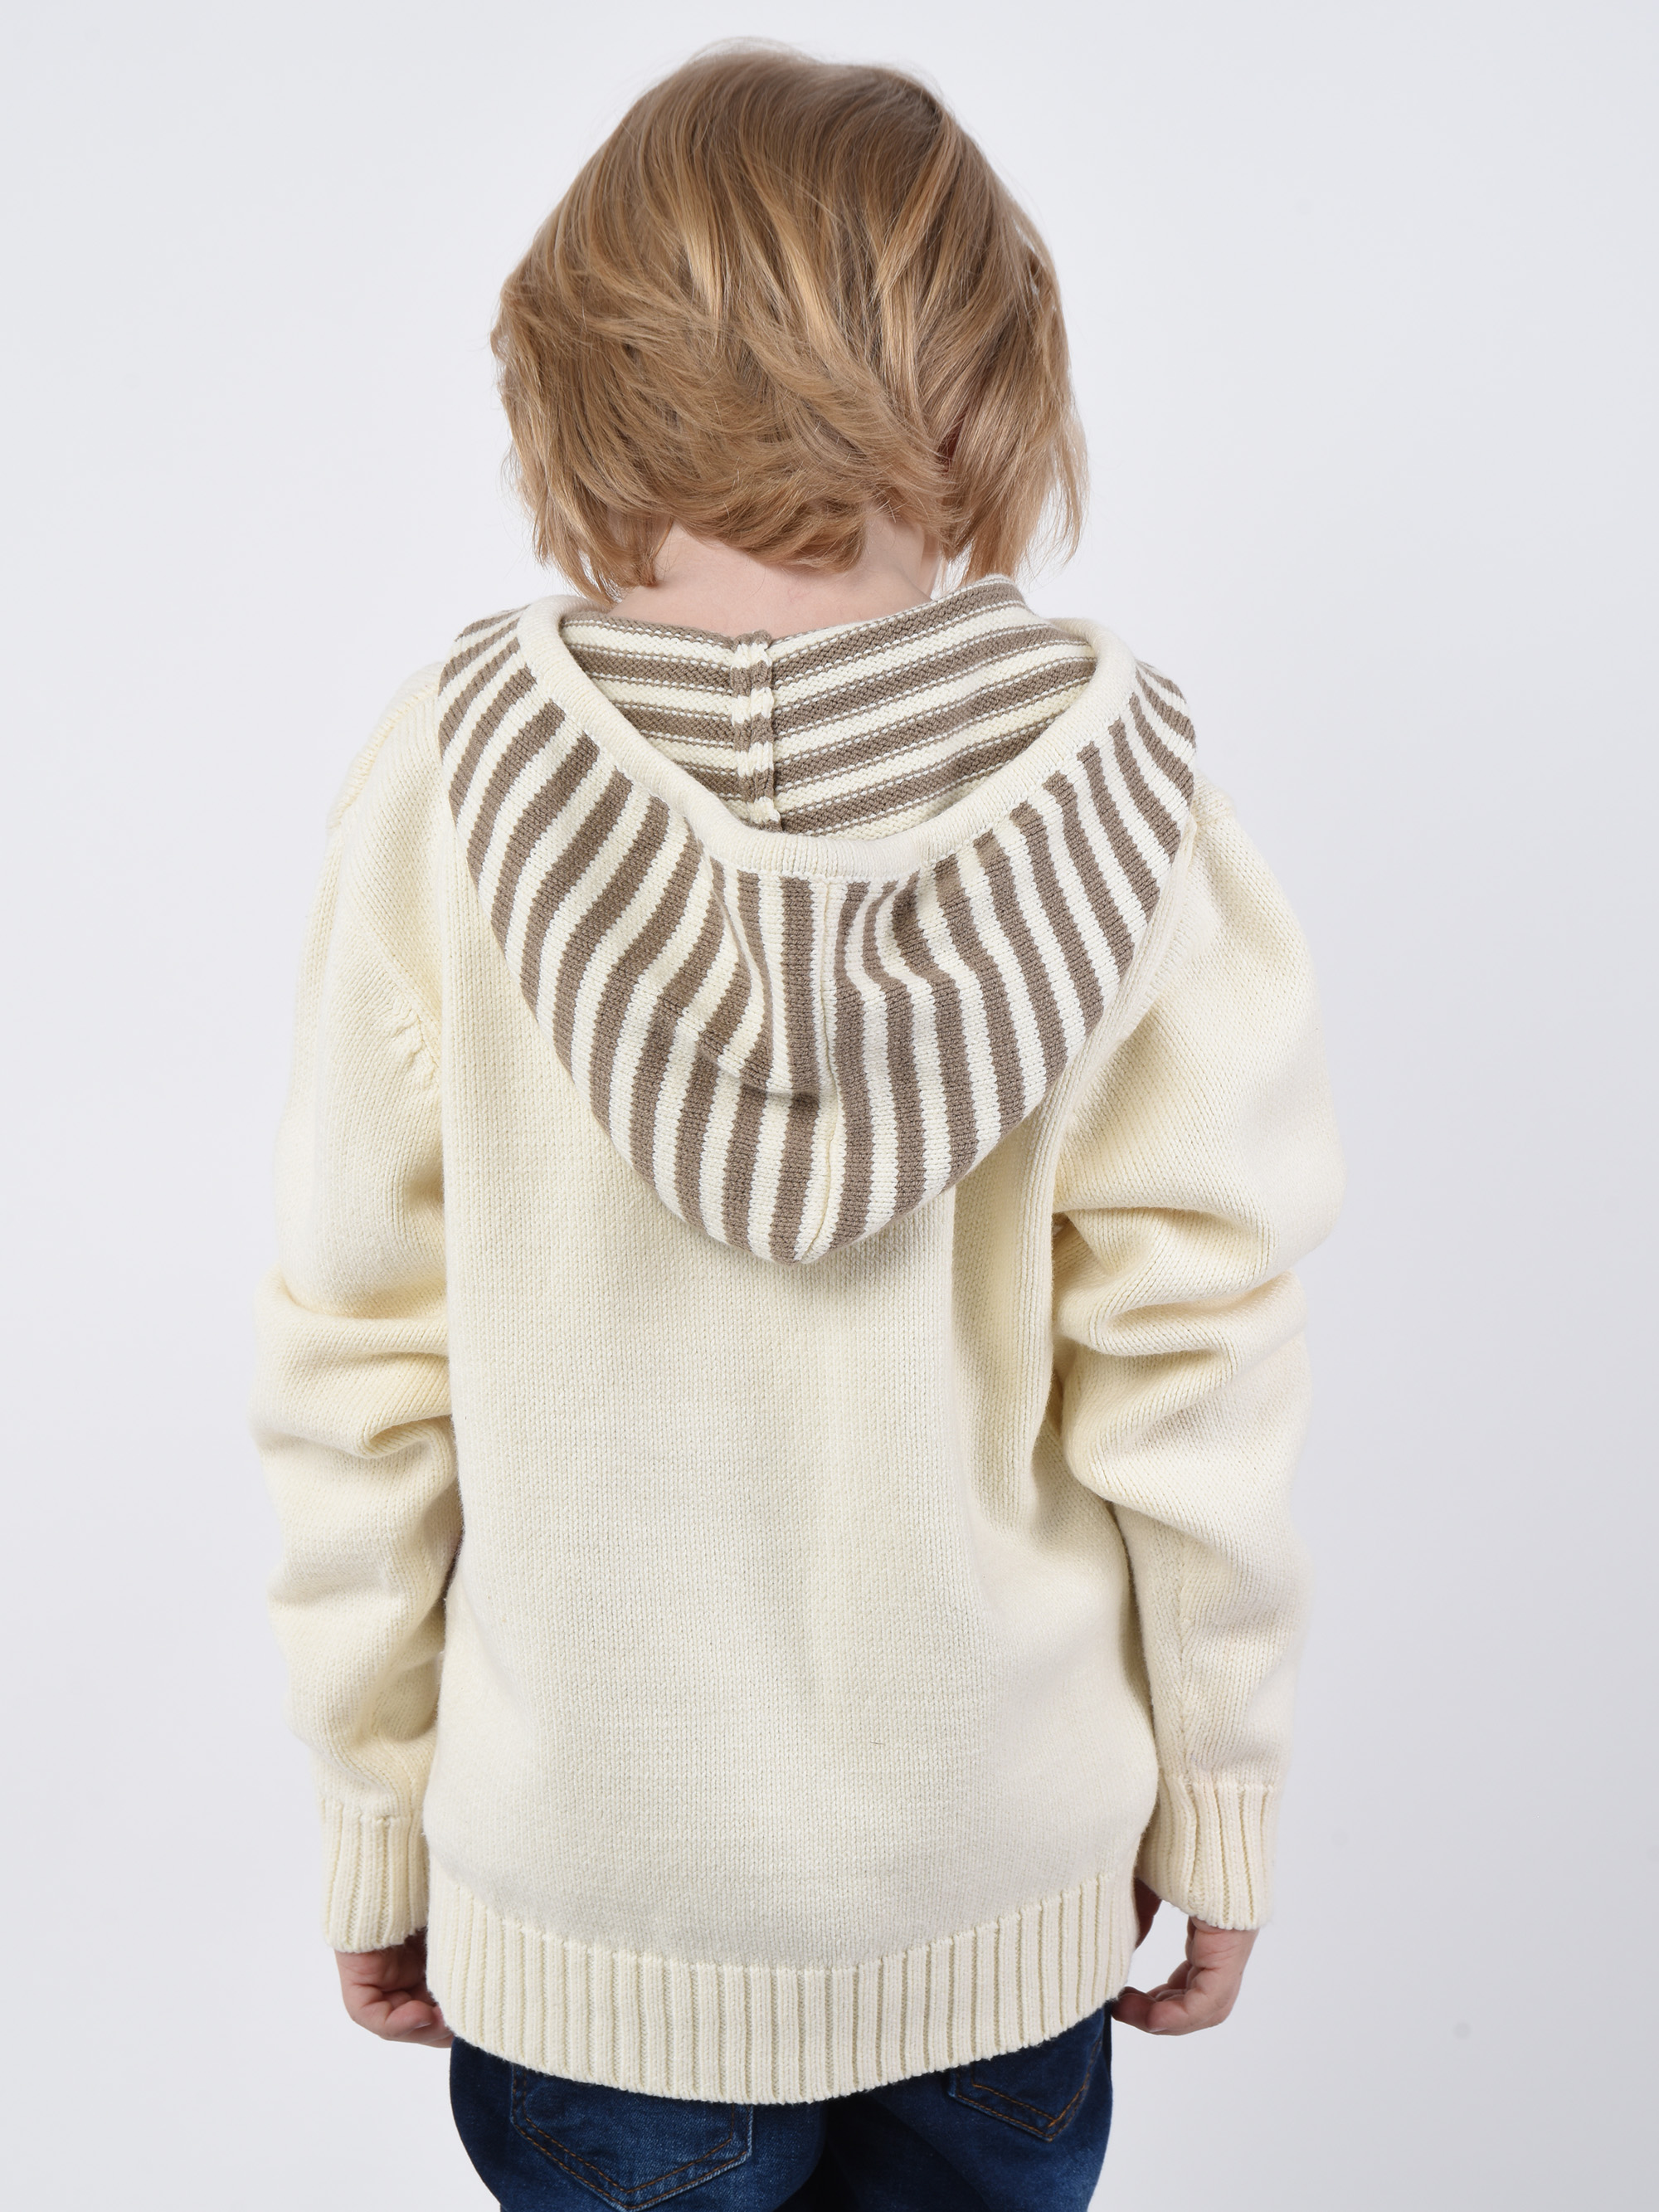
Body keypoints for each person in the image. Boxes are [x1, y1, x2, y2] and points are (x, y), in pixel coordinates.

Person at [252, 44, 1345, 2211]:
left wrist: (375, 1810)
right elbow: (1198, 1365)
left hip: (599, 1921)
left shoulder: (448, 792)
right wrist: (1221, 1801)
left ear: (579, 379)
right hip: (1001, 1897)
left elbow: (356, 1366)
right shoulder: (1131, 808)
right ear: (993, 390)